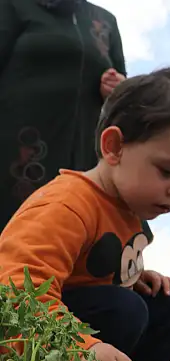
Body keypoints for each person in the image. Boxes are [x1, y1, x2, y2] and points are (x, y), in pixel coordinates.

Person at [0, 66, 170, 361]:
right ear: (115, 146)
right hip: (32, 352)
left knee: (167, 307)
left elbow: (89, 276)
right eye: (168, 171)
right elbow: (15, 296)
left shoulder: (127, 209)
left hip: (79, 331)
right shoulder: (66, 205)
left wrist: (135, 278)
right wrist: (79, 350)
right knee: (125, 309)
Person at [0, 0, 127, 230]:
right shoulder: (14, 5)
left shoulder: (105, 21)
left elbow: (125, 96)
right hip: (16, 153)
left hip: (82, 158)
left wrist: (117, 88)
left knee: (63, 235)